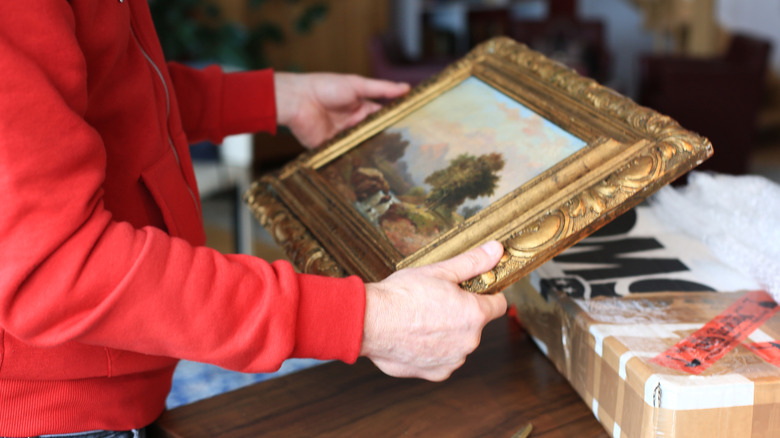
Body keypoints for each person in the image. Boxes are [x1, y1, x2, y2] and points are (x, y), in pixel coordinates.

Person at [0, 2, 507, 437]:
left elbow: (110, 90)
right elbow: (57, 268)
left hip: (106, 387)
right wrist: (366, 320)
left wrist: (273, 97)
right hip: (56, 418)